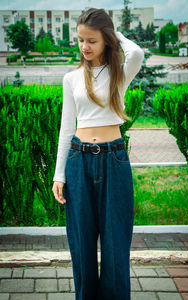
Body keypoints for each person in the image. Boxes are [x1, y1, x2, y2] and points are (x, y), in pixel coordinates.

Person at [52, 7, 144, 300]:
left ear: (105, 39)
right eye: (80, 40)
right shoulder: (72, 78)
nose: (84, 46)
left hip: (113, 159)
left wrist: (111, 30)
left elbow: (138, 52)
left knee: (116, 243)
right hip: (78, 161)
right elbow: (67, 129)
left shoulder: (119, 72)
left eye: (92, 40)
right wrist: (59, 174)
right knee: (81, 243)